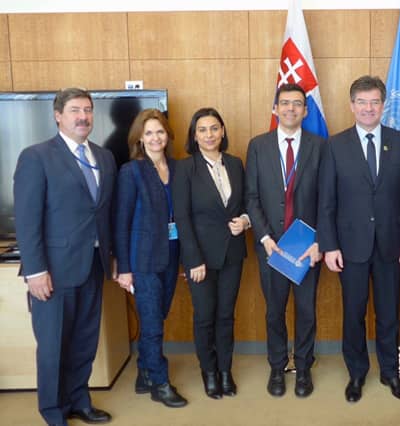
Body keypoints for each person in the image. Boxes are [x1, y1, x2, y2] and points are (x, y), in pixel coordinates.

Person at [13, 88, 116, 426]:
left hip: (93, 267)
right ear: (58, 115)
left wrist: (112, 256)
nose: (83, 116)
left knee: (85, 341)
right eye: (74, 110)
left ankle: (79, 401)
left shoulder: (103, 157)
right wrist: (35, 271)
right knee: (54, 345)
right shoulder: (37, 156)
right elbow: (28, 220)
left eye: (87, 109)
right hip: (53, 272)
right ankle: (54, 412)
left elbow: (104, 213)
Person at [317, 75, 400, 403]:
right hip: (350, 247)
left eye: (374, 101)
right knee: (354, 313)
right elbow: (327, 200)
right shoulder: (335, 145)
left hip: (391, 245)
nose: (368, 108)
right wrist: (329, 245)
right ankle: (357, 373)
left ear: (383, 104)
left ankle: (390, 373)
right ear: (351, 105)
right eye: (362, 102)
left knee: (389, 313)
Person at [245, 83, 324, 398]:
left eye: (297, 104)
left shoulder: (320, 146)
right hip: (272, 246)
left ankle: (303, 369)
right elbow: (251, 197)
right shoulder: (258, 146)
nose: (291, 109)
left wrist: (320, 241)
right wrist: (264, 237)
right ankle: (277, 368)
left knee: (306, 311)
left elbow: (327, 200)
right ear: (275, 109)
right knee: (274, 311)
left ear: (305, 111)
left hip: (306, 246)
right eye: (285, 103)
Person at [172, 108, 249, 399]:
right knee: (205, 316)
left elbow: (244, 205)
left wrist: (245, 221)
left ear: (223, 131)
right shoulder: (185, 169)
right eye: (202, 130)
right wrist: (193, 260)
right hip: (200, 259)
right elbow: (182, 218)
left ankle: (226, 370)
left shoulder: (235, 163)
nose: (209, 135)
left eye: (214, 128)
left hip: (232, 253)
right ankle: (209, 372)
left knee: (226, 316)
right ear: (194, 135)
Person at [113, 109, 187, 407]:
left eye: (160, 132)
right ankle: (160, 383)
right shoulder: (131, 172)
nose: (155, 138)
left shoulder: (179, 169)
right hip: (142, 259)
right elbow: (121, 222)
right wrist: (124, 269)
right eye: (149, 133)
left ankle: (144, 372)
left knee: (158, 315)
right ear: (139, 140)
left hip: (171, 254)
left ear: (167, 136)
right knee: (154, 323)